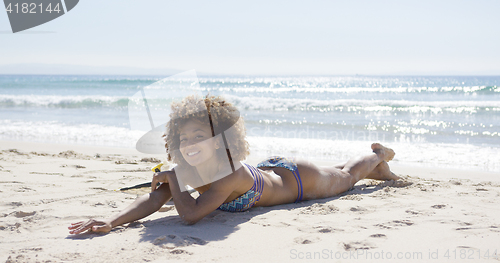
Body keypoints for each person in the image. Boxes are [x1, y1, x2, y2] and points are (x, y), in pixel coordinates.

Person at [68, 94, 399, 234]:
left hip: (300, 181)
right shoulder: (187, 171)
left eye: (200, 136)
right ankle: (378, 170)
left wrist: (173, 180)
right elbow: (156, 198)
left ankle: (377, 155)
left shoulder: (229, 174)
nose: (189, 144)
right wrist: (112, 221)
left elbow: (191, 215)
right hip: (271, 171)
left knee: (346, 177)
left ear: (220, 140)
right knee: (342, 174)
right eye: (184, 139)